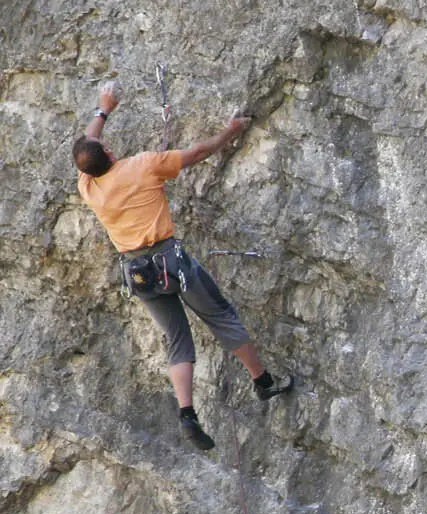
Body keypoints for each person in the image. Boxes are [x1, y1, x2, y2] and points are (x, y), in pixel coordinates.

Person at [73, 80, 292, 450]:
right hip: (172, 262)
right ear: (109, 152)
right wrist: (231, 131)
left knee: (177, 339)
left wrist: (103, 109)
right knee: (220, 316)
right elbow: (197, 153)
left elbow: (86, 146)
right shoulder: (144, 165)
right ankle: (262, 382)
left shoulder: (89, 187)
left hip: (138, 274)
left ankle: (187, 412)